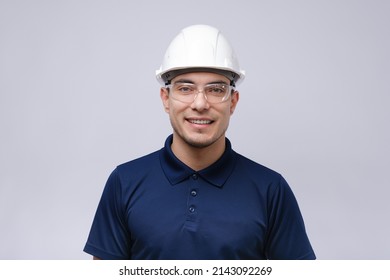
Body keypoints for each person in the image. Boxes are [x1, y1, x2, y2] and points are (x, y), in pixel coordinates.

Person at [83, 24, 316, 260]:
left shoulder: (270, 190)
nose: (200, 104)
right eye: (185, 88)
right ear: (166, 99)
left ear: (233, 102)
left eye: (216, 90)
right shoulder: (124, 182)